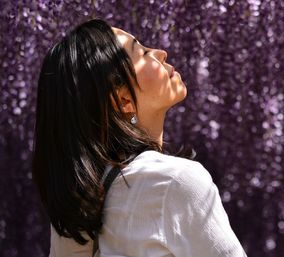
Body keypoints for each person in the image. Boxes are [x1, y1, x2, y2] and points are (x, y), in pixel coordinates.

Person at [32, 18, 247, 257]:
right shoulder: (175, 182)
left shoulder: (76, 212)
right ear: (122, 100)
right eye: (143, 52)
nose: (161, 52)